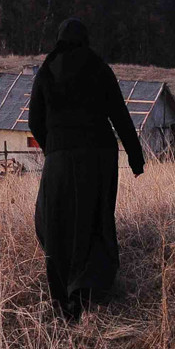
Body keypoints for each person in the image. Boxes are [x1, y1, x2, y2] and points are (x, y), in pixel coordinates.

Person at [28, 18, 145, 322]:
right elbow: (119, 115)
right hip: (99, 156)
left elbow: (33, 122)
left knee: (56, 223)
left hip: (61, 157)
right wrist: (136, 158)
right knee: (96, 219)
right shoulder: (99, 68)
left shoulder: (46, 71)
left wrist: (53, 146)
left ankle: (66, 301)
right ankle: (92, 290)